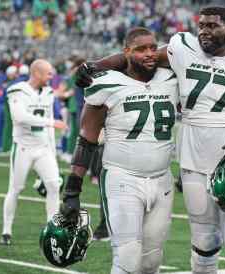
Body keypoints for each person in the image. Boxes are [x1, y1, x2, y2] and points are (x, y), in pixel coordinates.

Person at [73, 6, 225, 274]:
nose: (204, 31)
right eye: (201, 25)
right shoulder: (182, 47)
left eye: (212, 26)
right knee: (204, 241)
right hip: (192, 160)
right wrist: (95, 66)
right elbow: (135, 57)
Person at [61, 27, 178, 274]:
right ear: (126, 52)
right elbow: (87, 138)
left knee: (151, 261)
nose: (149, 54)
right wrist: (72, 188)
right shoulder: (106, 83)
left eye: (151, 48)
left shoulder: (171, 77)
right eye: (140, 49)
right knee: (127, 257)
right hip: (122, 178)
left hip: (162, 180)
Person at [0, 59, 67, 245]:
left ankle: (52, 229)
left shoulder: (48, 92)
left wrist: (53, 154)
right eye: (48, 73)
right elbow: (19, 117)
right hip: (23, 147)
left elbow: (51, 124)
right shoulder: (17, 90)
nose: (51, 77)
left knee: (54, 185)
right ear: (37, 73)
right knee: (15, 188)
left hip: (43, 147)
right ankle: (6, 230)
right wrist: (50, 123)